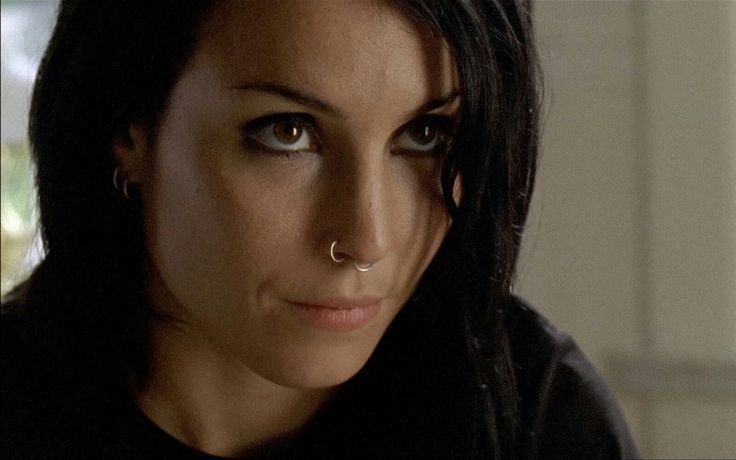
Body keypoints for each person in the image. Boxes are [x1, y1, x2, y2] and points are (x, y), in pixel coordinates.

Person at [1, 0, 639, 458]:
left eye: (425, 135)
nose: (366, 240)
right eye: (288, 132)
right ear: (128, 131)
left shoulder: (538, 421)